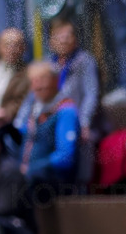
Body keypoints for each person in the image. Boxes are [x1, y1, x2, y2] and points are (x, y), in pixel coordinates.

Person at [15, 61, 79, 193]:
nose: (38, 85)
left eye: (43, 79)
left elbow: (65, 157)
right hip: (30, 176)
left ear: (56, 80)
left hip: (54, 181)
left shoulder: (66, 110)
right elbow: (24, 134)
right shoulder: (34, 108)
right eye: (34, 80)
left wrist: (30, 168)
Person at [46, 19, 99, 144]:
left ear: (76, 40)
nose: (64, 40)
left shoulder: (85, 61)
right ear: (50, 42)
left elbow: (91, 94)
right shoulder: (46, 64)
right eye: (59, 36)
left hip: (75, 119)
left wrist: (84, 122)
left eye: (68, 35)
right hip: (50, 119)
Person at [0, 28, 30, 130]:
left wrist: (5, 113)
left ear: (23, 48)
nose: (12, 49)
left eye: (16, 45)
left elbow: (24, 102)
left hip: (3, 119)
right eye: (7, 44)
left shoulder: (28, 73)